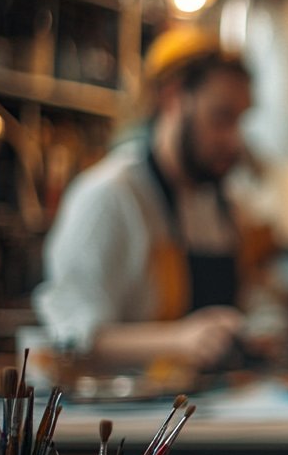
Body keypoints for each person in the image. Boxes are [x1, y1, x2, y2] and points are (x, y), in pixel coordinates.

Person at [35, 27, 265, 370]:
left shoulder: (221, 205)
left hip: (206, 407)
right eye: (221, 118)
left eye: (240, 121)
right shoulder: (109, 196)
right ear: (172, 98)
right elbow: (70, 337)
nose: (234, 141)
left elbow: (251, 301)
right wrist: (179, 341)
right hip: (127, 416)